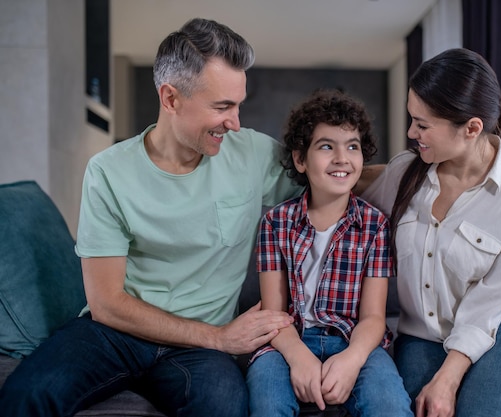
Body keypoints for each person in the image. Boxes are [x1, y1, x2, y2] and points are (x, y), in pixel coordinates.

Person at [0, 18, 304, 417]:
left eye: (238, 104)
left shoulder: (251, 154)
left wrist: (408, 172)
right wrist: (219, 337)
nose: (235, 122)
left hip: (196, 355)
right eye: (222, 106)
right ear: (171, 98)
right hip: (115, 333)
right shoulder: (108, 172)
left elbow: (333, 174)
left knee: (224, 408)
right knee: (26, 395)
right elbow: (107, 303)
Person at [362, 48, 501, 417]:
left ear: (471, 128)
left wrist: (448, 378)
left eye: (422, 124)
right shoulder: (405, 174)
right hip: (423, 336)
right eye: (411, 119)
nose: (410, 132)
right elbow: (336, 179)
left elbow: (494, 299)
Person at [246, 89, 413, 417]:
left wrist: (352, 360)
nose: (342, 158)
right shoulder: (275, 223)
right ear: (300, 159)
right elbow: (273, 314)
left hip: (355, 340)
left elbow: (374, 318)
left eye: (352, 146)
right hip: (286, 341)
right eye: (326, 146)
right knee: (267, 404)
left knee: (390, 405)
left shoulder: (375, 225)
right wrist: (298, 356)